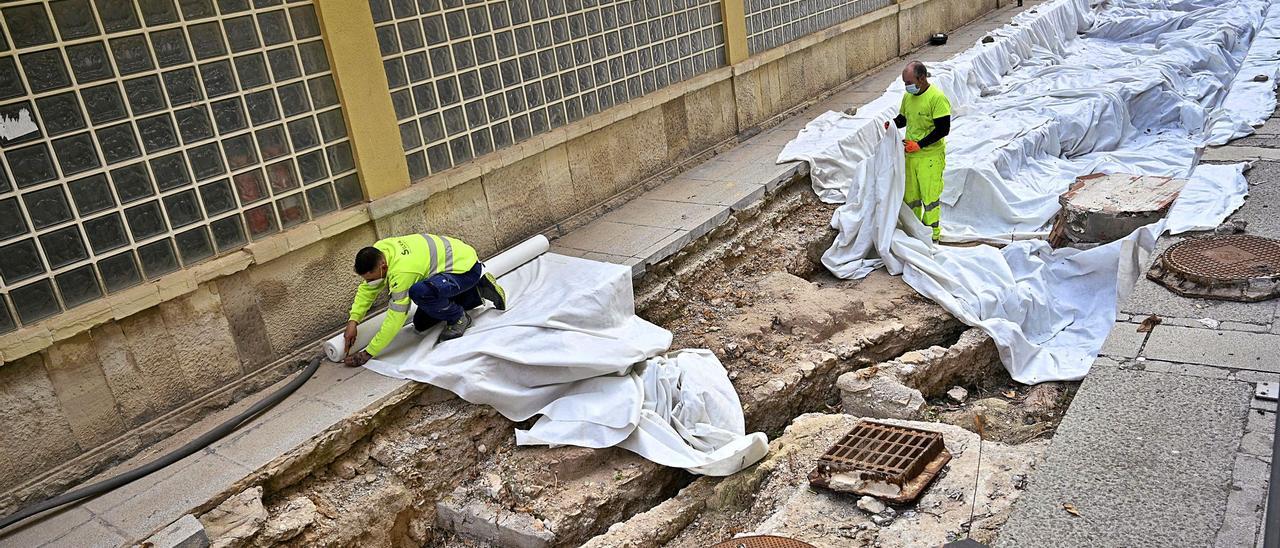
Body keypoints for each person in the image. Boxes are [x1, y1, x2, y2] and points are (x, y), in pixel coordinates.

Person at [341, 233, 506, 367]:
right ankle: (475, 292)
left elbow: (396, 317)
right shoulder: (380, 250)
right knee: (421, 323)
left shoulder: (403, 272)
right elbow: (368, 289)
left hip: (466, 270)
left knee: (420, 293)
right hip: (452, 268)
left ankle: (458, 317)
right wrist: (353, 321)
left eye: (371, 278)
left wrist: (368, 353)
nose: (370, 282)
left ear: (383, 267)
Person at [885, 60, 951, 242]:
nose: (906, 87)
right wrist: (892, 124)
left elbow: (943, 129)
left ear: (921, 79)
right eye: (905, 83)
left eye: (909, 82)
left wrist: (920, 144)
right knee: (911, 197)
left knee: (929, 198)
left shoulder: (937, 98)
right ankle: (914, 232)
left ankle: (931, 235)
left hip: (930, 157)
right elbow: (904, 118)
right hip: (910, 156)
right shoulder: (908, 97)